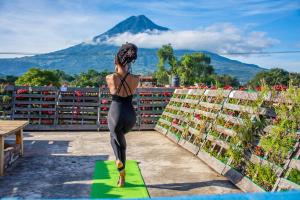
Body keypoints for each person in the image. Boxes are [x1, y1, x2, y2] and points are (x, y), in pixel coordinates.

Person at [105, 43, 139, 187]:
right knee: (120, 140)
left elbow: (114, 88)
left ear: (116, 61)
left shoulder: (110, 78)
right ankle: (122, 179)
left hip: (116, 113)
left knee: (115, 138)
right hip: (130, 115)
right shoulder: (136, 79)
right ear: (130, 61)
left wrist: (117, 67)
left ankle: (119, 162)